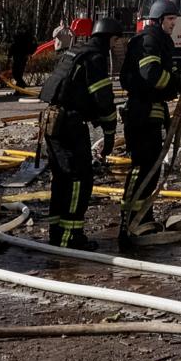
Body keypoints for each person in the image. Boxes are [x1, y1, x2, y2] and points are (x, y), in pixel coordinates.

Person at [37, 14, 122, 249]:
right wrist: (110, 134)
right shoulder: (95, 58)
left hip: (53, 121)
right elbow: (103, 100)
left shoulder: (75, 52)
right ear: (110, 39)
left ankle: (57, 233)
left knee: (61, 178)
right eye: (117, 41)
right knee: (78, 180)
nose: (117, 46)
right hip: (69, 124)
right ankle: (70, 238)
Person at [119, 0, 181, 249]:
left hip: (148, 112)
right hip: (143, 112)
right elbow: (151, 75)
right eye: (170, 19)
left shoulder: (154, 40)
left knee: (148, 167)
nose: (173, 24)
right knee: (145, 167)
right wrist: (176, 81)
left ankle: (140, 217)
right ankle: (135, 219)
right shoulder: (150, 41)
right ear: (159, 20)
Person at [8, 22, 36, 86]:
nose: (21, 30)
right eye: (20, 29)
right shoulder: (17, 36)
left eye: (22, 29)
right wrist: (9, 56)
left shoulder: (29, 37)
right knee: (16, 73)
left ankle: (21, 86)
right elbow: (13, 46)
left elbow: (34, 46)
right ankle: (20, 88)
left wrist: (30, 53)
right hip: (17, 56)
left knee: (18, 73)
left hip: (23, 56)